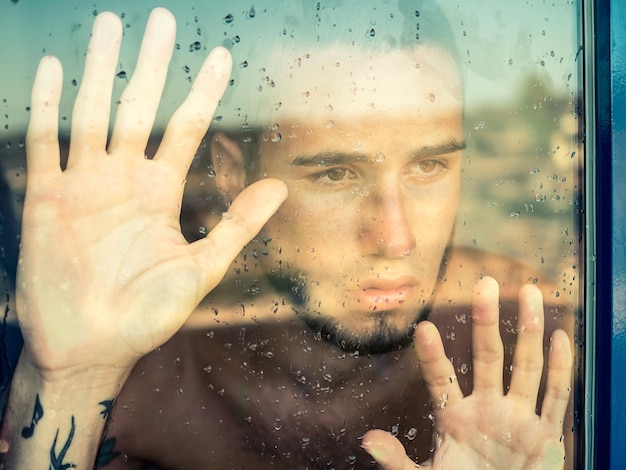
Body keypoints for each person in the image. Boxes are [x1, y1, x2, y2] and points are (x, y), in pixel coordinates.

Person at [0, 5, 573, 469]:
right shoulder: (143, 349)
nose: (396, 238)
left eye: (429, 168)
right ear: (230, 174)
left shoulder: (524, 339)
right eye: (335, 175)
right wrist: (76, 381)